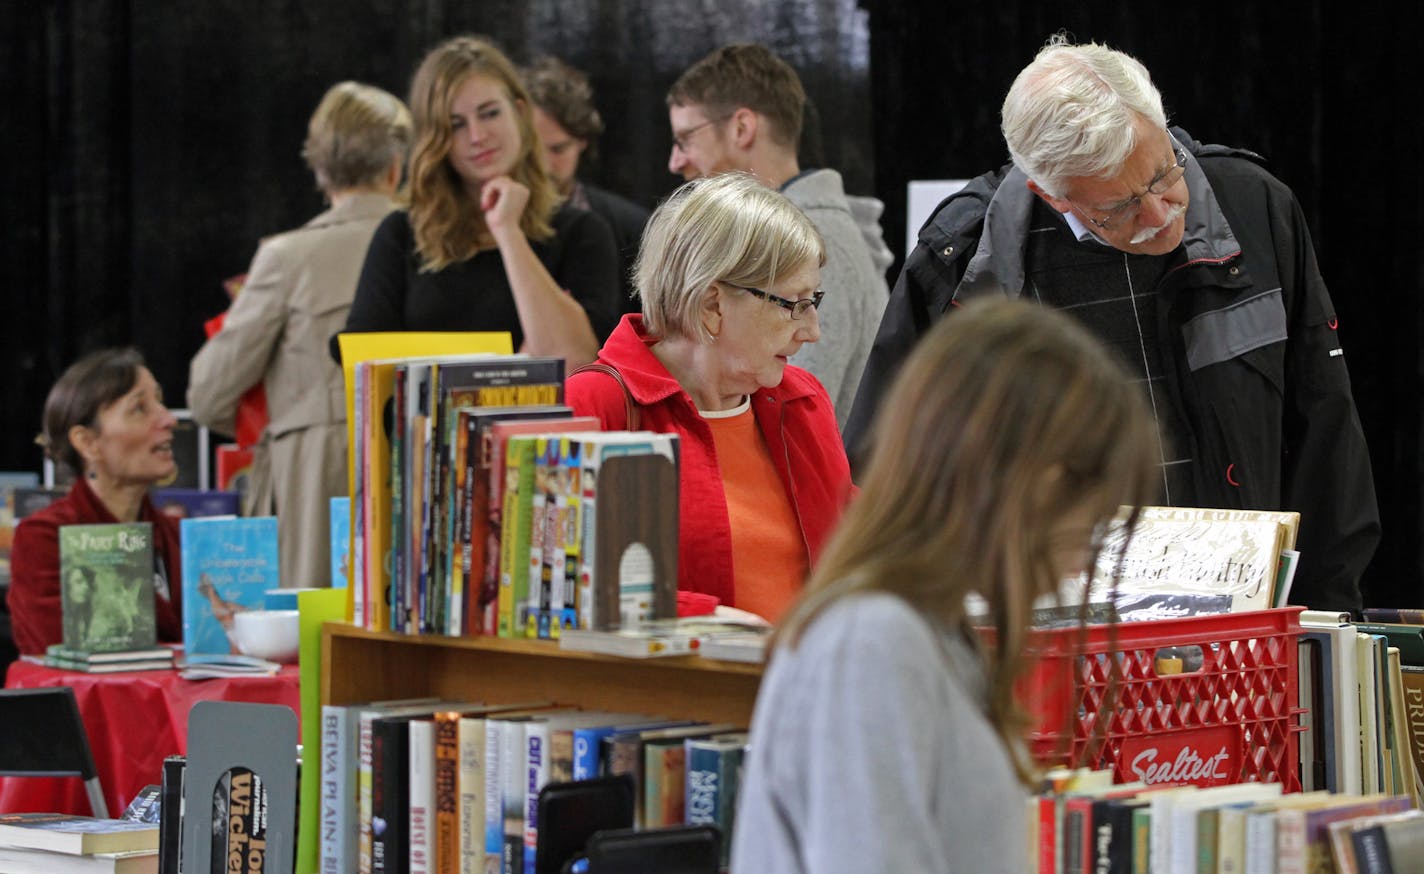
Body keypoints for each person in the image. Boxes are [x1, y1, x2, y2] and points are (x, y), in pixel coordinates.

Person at [844, 37, 1379, 614]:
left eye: (1160, 175)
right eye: (1118, 207)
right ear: (1050, 194)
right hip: (1053, 633)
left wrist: (1325, 618)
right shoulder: (962, 267)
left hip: (1244, 625)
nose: (1157, 215)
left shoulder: (1256, 207)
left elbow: (1327, 433)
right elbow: (884, 476)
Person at [731, 298, 1160, 871]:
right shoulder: (875, 641)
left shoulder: (925, 631)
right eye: (1088, 525)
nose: (1081, 567)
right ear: (1036, 490)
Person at [566, 173, 852, 623]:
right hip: (682, 689)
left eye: (813, 300)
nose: (812, 330)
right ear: (711, 304)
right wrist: (716, 621)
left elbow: (854, 550)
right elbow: (558, 584)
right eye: (793, 304)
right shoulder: (595, 405)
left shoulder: (802, 400)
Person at [189, 80, 412, 590]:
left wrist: (292, 413)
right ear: (397, 166)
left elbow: (207, 395)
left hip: (318, 477)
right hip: (432, 459)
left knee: (316, 642)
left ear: (319, 168)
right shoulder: (442, 247)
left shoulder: (287, 258)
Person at [339, 35, 620, 362]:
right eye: (455, 125)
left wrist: (508, 232)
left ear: (519, 112)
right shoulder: (401, 234)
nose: (477, 136)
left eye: (489, 114)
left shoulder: (582, 233)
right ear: (435, 138)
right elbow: (363, 360)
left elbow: (576, 362)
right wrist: (511, 362)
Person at [666, 43, 888, 430]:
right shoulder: (816, 233)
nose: (676, 161)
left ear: (742, 128)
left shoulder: (818, 244)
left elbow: (792, 426)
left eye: (685, 138)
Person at [8, 348, 184, 655]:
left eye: (160, 401)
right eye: (140, 408)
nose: (168, 419)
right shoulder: (46, 539)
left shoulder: (178, 536)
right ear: (87, 442)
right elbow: (58, 664)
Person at [523, 55, 650, 315]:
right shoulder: (489, 229)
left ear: (582, 140)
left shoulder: (634, 230)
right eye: (532, 151)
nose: (545, 166)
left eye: (558, 149)